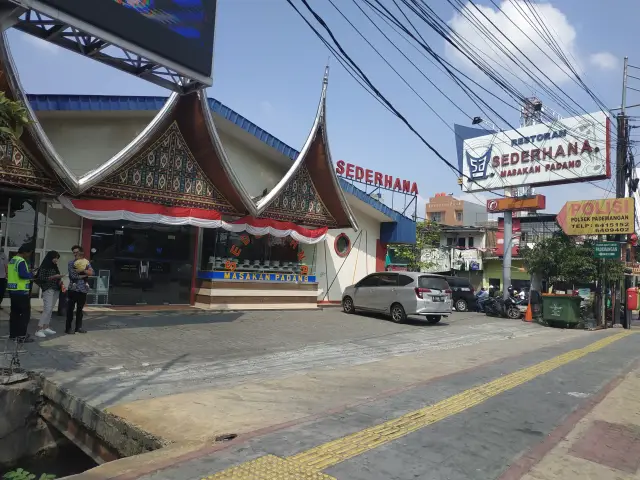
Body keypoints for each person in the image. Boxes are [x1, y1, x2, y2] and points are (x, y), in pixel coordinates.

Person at [7, 244, 35, 343]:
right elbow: (23, 275)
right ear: (25, 252)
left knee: (14, 313)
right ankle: (22, 336)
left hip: (12, 291)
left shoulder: (12, 260)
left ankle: (13, 335)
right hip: (21, 292)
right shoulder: (21, 261)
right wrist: (31, 274)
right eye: (29, 253)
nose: (29, 255)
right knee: (24, 314)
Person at [34, 251, 64, 338]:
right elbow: (40, 278)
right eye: (55, 258)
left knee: (50, 309)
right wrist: (53, 277)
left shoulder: (55, 267)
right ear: (51, 257)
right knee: (47, 309)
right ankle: (39, 329)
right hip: (48, 289)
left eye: (57, 258)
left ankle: (45, 327)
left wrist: (59, 280)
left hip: (56, 289)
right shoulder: (44, 267)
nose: (56, 260)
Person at [66, 245, 93, 334]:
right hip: (73, 289)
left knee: (80, 310)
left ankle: (78, 327)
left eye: (76, 252)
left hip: (83, 289)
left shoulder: (86, 262)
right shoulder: (71, 263)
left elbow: (92, 272)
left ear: (81, 252)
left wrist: (84, 271)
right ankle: (68, 328)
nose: (75, 254)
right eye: (73, 252)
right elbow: (73, 276)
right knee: (70, 310)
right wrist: (86, 274)